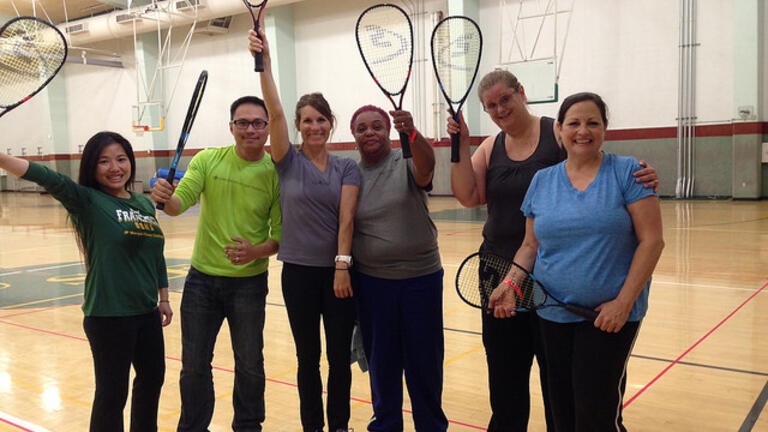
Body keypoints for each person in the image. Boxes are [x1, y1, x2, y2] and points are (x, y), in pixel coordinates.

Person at [448, 69, 659, 431]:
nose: (500, 109)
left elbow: (648, 235)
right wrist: (460, 144)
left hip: (583, 293)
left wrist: (623, 302)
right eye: (491, 105)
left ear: (522, 93)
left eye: (505, 99)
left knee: (588, 397)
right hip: (521, 281)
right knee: (521, 382)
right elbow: (477, 202)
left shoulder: (594, 153)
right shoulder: (509, 159)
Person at [0, 132, 172, 431]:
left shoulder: (143, 205)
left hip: (146, 313)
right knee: (112, 394)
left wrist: (164, 297)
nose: (114, 167)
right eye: (104, 161)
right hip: (109, 315)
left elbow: (155, 254)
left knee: (152, 379)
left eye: (120, 159)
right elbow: (45, 176)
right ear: (92, 167)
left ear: (130, 162)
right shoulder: (86, 201)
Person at [151, 96, 281, 432]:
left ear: (268, 128)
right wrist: (167, 198)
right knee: (194, 366)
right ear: (231, 127)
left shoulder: (276, 174)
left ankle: (248, 427)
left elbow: (279, 238)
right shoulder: (208, 160)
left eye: (258, 123)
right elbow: (180, 204)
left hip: (249, 284)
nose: (250, 129)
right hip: (201, 283)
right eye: (243, 123)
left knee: (250, 364)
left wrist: (256, 251)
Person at [250, 29, 359, 432]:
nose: (314, 126)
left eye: (321, 120)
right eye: (306, 120)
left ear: (331, 123)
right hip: (297, 273)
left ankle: (340, 425)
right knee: (307, 358)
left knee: (337, 358)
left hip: (339, 275)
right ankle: (312, 426)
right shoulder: (285, 160)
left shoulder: (347, 166)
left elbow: (347, 219)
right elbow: (273, 111)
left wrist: (342, 266)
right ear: (297, 125)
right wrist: (266, 64)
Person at [350, 105, 448, 431]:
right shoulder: (350, 176)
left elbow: (427, 167)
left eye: (377, 126)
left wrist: (414, 134)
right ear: (354, 136)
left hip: (421, 280)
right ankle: (386, 424)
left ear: (388, 131)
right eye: (362, 128)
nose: (370, 133)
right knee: (382, 363)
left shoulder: (406, 159)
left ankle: (431, 426)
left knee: (425, 363)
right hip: (374, 284)